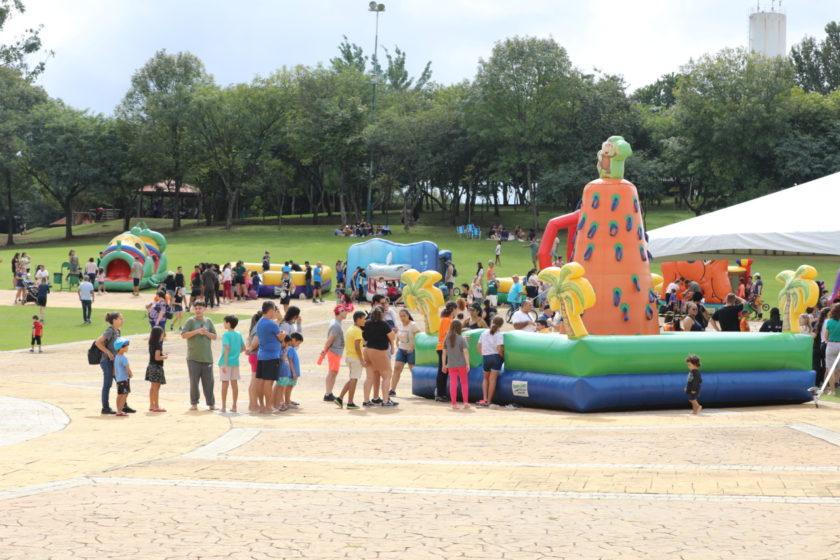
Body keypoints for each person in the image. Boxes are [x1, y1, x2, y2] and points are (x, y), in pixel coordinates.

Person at [181, 301, 217, 411]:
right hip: (193, 357)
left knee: (209, 383)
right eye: (196, 308)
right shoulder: (190, 321)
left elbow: (215, 336)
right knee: (194, 382)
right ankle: (194, 403)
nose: (197, 310)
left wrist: (206, 333)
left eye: (200, 308)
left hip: (207, 357)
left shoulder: (208, 321)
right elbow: (183, 335)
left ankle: (211, 404)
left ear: (204, 309)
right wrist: (197, 331)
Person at [95, 312, 130, 414]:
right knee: (108, 384)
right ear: (114, 320)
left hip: (115, 362)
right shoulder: (110, 331)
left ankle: (123, 406)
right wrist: (108, 352)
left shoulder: (118, 331)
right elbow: (98, 342)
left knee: (122, 382)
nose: (122, 320)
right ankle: (105, 408)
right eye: (120, 319)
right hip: (107, 361)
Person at [362, 306, 397, 407]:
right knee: (387, 376)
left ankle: (366, 400)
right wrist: (393, 332)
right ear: (383, 314)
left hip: (367, 350)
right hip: (379, 351)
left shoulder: (367, 323)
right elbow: (392, 337)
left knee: (369, 377)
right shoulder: (384, 324)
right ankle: (385, 401)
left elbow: (364, 337)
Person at [252, 301, 283, 414]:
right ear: (270, 311)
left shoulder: (260, 322)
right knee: (268, 382)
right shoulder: (271, 324)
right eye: (274, 310)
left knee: (261, 381)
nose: (275, 312)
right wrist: (283, 335)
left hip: (262, 355)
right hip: (271, 356)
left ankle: (262, 406)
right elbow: (280, 337)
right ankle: (269, 407)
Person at [335, 311, 366, 410]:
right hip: (355, 358)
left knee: (352, 379)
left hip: (349, 357)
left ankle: (340, 398)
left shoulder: (351, 328)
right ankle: (350, 402)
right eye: (363, 318)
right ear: (358, 319)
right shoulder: (357, 330)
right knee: (354, 380)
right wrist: (362, 360)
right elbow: (357, 347)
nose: (364, 320)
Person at [218, 315, 244, 413]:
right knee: (234, 384)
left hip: (226, 362)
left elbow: (227, 348)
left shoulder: (226, 335)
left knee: (225, 383)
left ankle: (224, 407)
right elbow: (243, 348)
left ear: (228, 323)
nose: (223, 324)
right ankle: (234, 406)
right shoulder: (238, 334)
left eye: (224, 322)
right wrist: (236, 354)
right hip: (235, 362)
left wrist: (224, 364)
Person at [320, 306, 347, 402]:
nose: (346, 312)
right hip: (334, 351)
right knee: (332, 372)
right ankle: (328, 393)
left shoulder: (336, 323)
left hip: (335, 351)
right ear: (340, 312)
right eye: (344, 311)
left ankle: (329, 393)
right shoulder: (336, 325)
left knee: (333, 372)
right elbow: (330, 339)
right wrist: (324, 351)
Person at [443, 319, 471, 410]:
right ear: (460, 328)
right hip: (461, 364)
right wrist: (467, 364)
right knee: (464, 383)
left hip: (451, 365)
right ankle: (466, 403)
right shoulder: (461, 338)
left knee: (453, 384)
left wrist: (444, 364)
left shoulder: (446, 338)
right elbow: (465, 352)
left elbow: (444, 353)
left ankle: (454, 404)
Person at [478, 316, 504, 407]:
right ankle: (489, 401)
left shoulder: (484, 332)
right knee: (492, 380)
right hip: (495, 357)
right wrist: (502, 357)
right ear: (501, 325)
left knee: (485, 378)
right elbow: (499, 348)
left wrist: (483, 354)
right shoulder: (499, 334)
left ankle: (484, 399)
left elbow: (479, 346)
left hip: (486, 357)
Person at [392, 309, 420, 397]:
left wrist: (413, 347)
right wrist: (397, 341)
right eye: (400, 316)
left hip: (411, 351)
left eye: (404, 316)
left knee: (413, 370)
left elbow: (418, 337)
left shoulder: (413, 325)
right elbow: (399, 334)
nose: (402, 318)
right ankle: (392, 390)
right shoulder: (400, 325)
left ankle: (419, 389)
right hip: (401, 349)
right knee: (397, 368)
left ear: (408, 315)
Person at [435, 302, 457, 402]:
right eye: (456, 309)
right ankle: (440, 394)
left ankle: (440, 393)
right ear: (453, 309)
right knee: (443, 371)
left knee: (442, 371)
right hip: (445, 348)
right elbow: (449, 334)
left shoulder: (443, 319)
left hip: (441, 347)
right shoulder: (449, 321)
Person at [278, 332, 303, 410]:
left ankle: (287, 402)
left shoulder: (290, 348)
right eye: (298, 343)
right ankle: (287, 402)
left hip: (291, 372)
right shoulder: (290, 348)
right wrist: (294, 372)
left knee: (289, 387)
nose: (298, 345)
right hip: (291, 373)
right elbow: (290, 361)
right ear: (294, 340)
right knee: (289, 387)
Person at [145, 326, 167, 413]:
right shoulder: (158, 345)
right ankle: (156, 406)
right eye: (162, 334)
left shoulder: (151, 343)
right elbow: (157, 357)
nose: (163, 335)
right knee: (156, 388)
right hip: (156, 367)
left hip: (151, 366)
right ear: (159, 335)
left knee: (152, 387)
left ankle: (151, 405)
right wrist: (164, 357)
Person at [245, 311, 263, 412]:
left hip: (253, 356)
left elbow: (249, 341)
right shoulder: (258, 329)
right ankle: (253, 404)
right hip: (256, 356)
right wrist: (250, 349)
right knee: (255, 382)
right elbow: (255, 342)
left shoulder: (252, 329)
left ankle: (252, 404)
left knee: (253, 381)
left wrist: (249, 349)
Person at [113, 337, 133, 417]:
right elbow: (127, 369)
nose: (127, 347)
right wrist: (130, 374)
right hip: (124, 379)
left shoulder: (117, 357)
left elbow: (114, 369)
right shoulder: (124, 358)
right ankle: (120, 411)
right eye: (126, 346)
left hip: (119, 379)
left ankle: (118, 410)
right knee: (124, 394)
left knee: (120, 394)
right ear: (121, 348)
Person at [823, 304, 840, 395]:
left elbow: (826, 336)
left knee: (830, 369)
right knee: (838, 368)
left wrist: (826, 341)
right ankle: (836, 384)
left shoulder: (829, 322)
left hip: (831, 345)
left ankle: (832, 390)